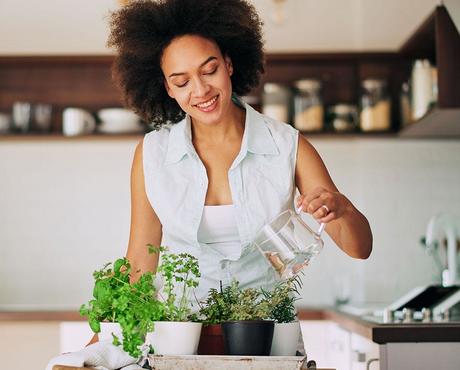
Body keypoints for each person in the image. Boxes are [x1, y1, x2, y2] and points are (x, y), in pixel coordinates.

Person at [109, 0, 372, 322]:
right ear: (167, 88)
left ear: (229, 64)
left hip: (267, 335)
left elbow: (359, 249)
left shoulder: (287, 145)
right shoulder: (152, 154)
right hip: (181, 336)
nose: (201, 89)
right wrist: (101, 345)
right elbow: (139, 261)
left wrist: (340, 208)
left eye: (210, 70)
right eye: (182, 81)